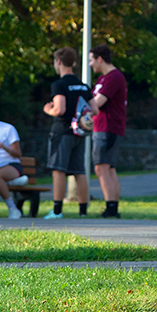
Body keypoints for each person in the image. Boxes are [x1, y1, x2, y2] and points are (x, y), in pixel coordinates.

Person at [41, 47, 92, 219]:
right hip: (80, 133)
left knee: (59, 170)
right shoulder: (83, 86)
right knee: (79, 171)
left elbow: (60, 109)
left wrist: (49, 110)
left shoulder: (59, 85)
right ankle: (83, 211)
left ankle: (57, 211)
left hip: (62, 131)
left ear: (59, 62)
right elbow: (95, 110)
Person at [89, 44, 126, 219]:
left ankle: (111, 208)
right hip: (102, 126)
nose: (90, 64)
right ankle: (112, 207)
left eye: (91, 60)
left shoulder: (114, 77)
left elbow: (97, 103)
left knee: (101, 168)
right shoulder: (103, 79)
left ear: (100, 59)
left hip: (108, 127)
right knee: (108, 168)